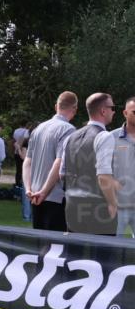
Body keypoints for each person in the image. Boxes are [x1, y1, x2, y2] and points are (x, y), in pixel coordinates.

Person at [60, 92, 117, 235]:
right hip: (99, 210)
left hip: (72, 208)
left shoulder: (70, 137)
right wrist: (112, 203)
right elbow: (103, 176)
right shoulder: (105, 136)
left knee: (74, 256)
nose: (114, 111)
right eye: (112, 107)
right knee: (103, 256)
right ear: (103, 111)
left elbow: (62, 174)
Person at [25, 91, 78, 231]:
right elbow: (59, 162)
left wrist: (28, 189)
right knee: (55, 248)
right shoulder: (69, 130)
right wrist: (44, 191)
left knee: (40, 245)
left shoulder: (38, 129)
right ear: (74, 109)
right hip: (54, 196)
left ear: (56, 106)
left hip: (34, 196)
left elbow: (27, 162)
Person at [108, 97, 135, 239]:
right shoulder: (111, 137)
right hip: (119, 206)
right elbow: (101, 169)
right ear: (125, 113)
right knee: (111, 249)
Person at [11, 121, 32, 187]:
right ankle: (24, 183)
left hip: (17, 151)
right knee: (25, 169)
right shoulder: (27, 132)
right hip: (24, 151)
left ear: (20, 125)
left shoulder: (16, 131)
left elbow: (14, 140)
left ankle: (17, 183)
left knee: (18, 169)